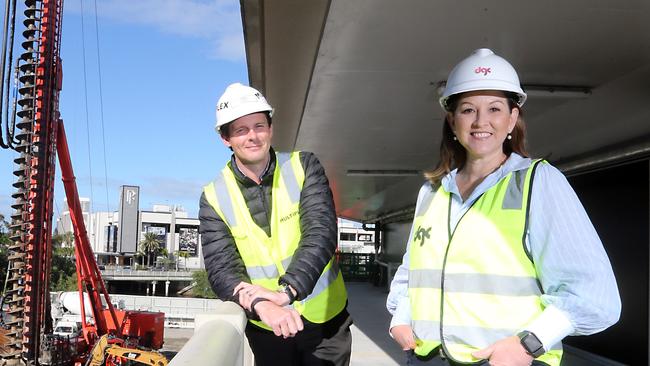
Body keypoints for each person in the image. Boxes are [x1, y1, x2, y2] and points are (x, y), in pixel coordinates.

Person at [386, 49, 621, 366]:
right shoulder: (431, 192)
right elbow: (414, 270)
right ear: (452, 120)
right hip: (428, 358)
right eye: (468, 109)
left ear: (512, 118)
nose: (481, 121)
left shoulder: (538, 183)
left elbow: (595, 296)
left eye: (494, 109)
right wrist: (401, 316)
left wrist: (527, 345)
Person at [199, 83, 352, 366]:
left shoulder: (304, 166)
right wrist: (262, 304)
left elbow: (320, 234)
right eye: (241, 130)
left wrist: (286, 293)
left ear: (270, 128)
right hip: (268, 328)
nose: (253, 136)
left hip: (326, 323)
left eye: (259, 125)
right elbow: (222, 270)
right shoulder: (213, 196)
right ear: (225, 138)